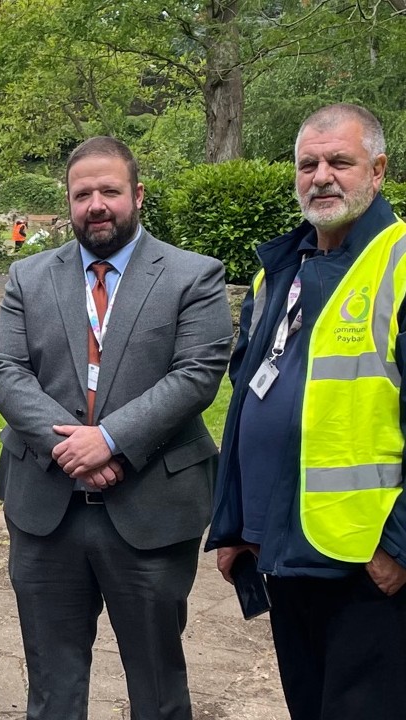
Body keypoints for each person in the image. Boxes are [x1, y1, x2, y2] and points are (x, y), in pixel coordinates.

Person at [0, 136, 231, 720]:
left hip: (149, 510)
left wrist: (112, 439)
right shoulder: (29, 276)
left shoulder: (192, 276)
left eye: (110, 191)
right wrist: (72, 447)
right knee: (51, 687)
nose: (96, 204)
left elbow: (197, 374)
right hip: (47, 511)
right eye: (82, 193)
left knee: (157, 687)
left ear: (137, 195)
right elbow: (5, 370)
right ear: (68, 202)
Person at [206, 103, 406, 720]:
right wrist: (237, 525)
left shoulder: (399, 265)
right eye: (308, 164)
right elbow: (251, 401)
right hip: (287, 556)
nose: (321, 176)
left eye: (339, 162)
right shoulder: (280, 273)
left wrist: (398, 549)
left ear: (377, 170)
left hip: (366, 570)